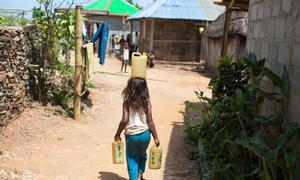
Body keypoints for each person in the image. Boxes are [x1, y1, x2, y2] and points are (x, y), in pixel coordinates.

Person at [114, 78, 160, 180]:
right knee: (142, 154)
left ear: (129, 88)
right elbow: (150, 121)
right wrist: (156, 137)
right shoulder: (147, 103)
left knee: (131, 157)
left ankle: (134, 178)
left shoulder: (127, 103)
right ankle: (140, 175)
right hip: (145, 134)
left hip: (131, 136)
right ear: (144, 89)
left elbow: (124, 121)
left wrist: (117, 134)